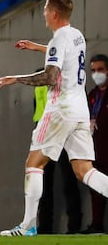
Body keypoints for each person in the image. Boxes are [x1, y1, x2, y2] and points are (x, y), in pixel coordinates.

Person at [0, 0, 108, 236]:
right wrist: (37, 47)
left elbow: (50, 76)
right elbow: (63, 55)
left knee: (34, 164)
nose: (44, 13)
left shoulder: (59, 40)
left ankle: (28, 226)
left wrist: (17, 78)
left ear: (54, 14)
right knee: (84, 170)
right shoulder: (77, 36)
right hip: (79, 111)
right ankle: (29, 225)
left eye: (45, 9)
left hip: (59, 110)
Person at [33, 84, 82, 233]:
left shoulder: (72, 80)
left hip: (65, 138)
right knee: (44, 186)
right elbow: (38, 112)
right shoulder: (39, 79)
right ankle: (45, 227)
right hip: (45, 139)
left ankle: (74, 227)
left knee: (69, 182)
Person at [81, 54, 108, 234]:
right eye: (93, 70)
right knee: (96, 190)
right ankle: (96, 224)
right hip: (96, 149)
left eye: (100, 70)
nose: (96, 74)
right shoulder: (92, 95)